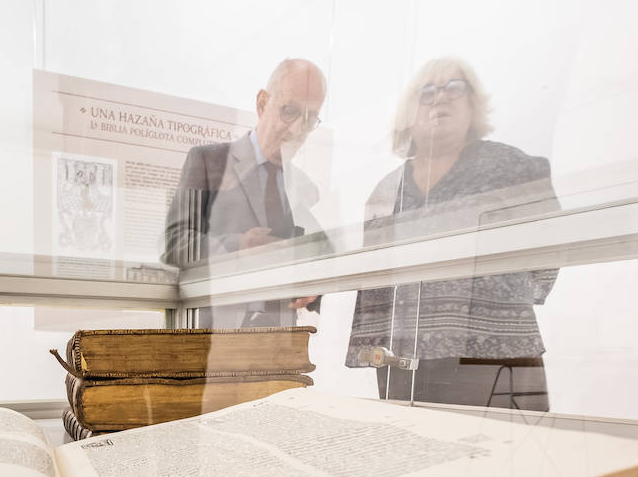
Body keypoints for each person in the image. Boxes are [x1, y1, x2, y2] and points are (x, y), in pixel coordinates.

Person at [345, 57, 560, 409]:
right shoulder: (387, 189)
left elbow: (551, 248)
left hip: (494, 355)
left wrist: (502, 300)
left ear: (473, 104)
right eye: (426, 92)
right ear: (408, 111)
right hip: (405, 359)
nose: (440, 98)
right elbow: (377, 282)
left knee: (502, 458)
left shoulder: (512, 167)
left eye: (454, 88)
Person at [162, 59, 329, 326]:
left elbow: (322, 261)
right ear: (263, 103)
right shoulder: (209, 162)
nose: (298, 128)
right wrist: (236, 247)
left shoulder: (306, 188)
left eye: (309, 119)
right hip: (213, 341)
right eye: (289, 111)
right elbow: (174, 243)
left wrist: (313, 288)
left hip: (280, 344)